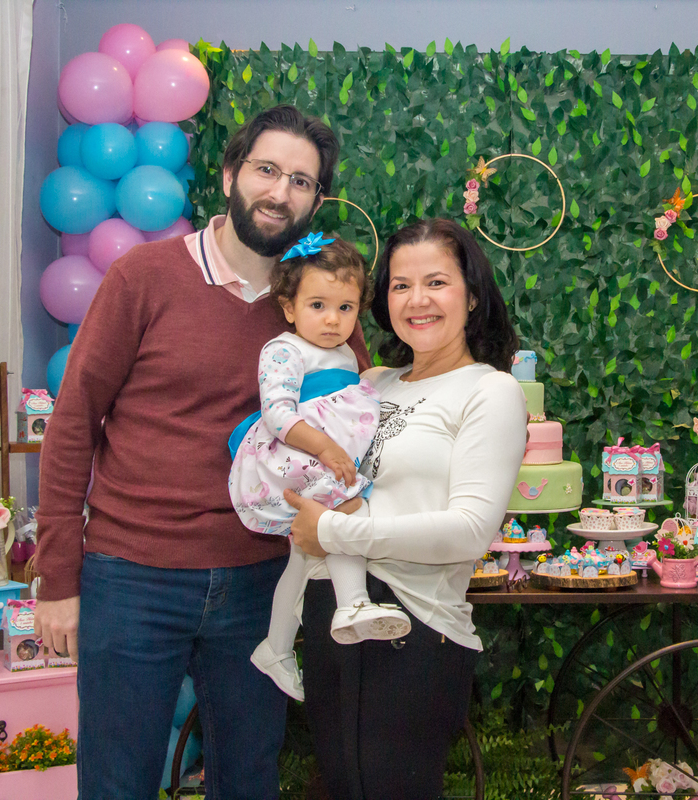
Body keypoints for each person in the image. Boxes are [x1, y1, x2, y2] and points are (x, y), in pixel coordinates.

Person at [33, 105, 367, 800]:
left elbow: (357, 431)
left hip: (259, 584)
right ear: (228, 175)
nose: (281, 192)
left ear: (317, 200)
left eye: (301, 181)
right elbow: (73, 424)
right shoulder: (143, 278)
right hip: (132, 578)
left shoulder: (324, 307)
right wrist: (60, 578)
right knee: (118, 783)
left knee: (248, 781)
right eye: (267, 170)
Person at [282, 218, 528, 799]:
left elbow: (469, 532)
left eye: (436, 282)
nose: (417, 300)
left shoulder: (490, 391)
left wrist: (336, 533)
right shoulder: (369, 382)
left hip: (413, 628)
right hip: (330, 611)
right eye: (399, 285)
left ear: (471, 294)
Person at [228, 235, 411, 703]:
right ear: (288, 307)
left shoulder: (347, 353)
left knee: (302, 555)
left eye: (346, 308)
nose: (333, 319)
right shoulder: (284, 350)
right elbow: (278, 413)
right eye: (318, 305)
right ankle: (352, 603)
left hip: (322, 457)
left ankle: (276, 647)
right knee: (345, 508)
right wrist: (327, 447)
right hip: (293, 457)